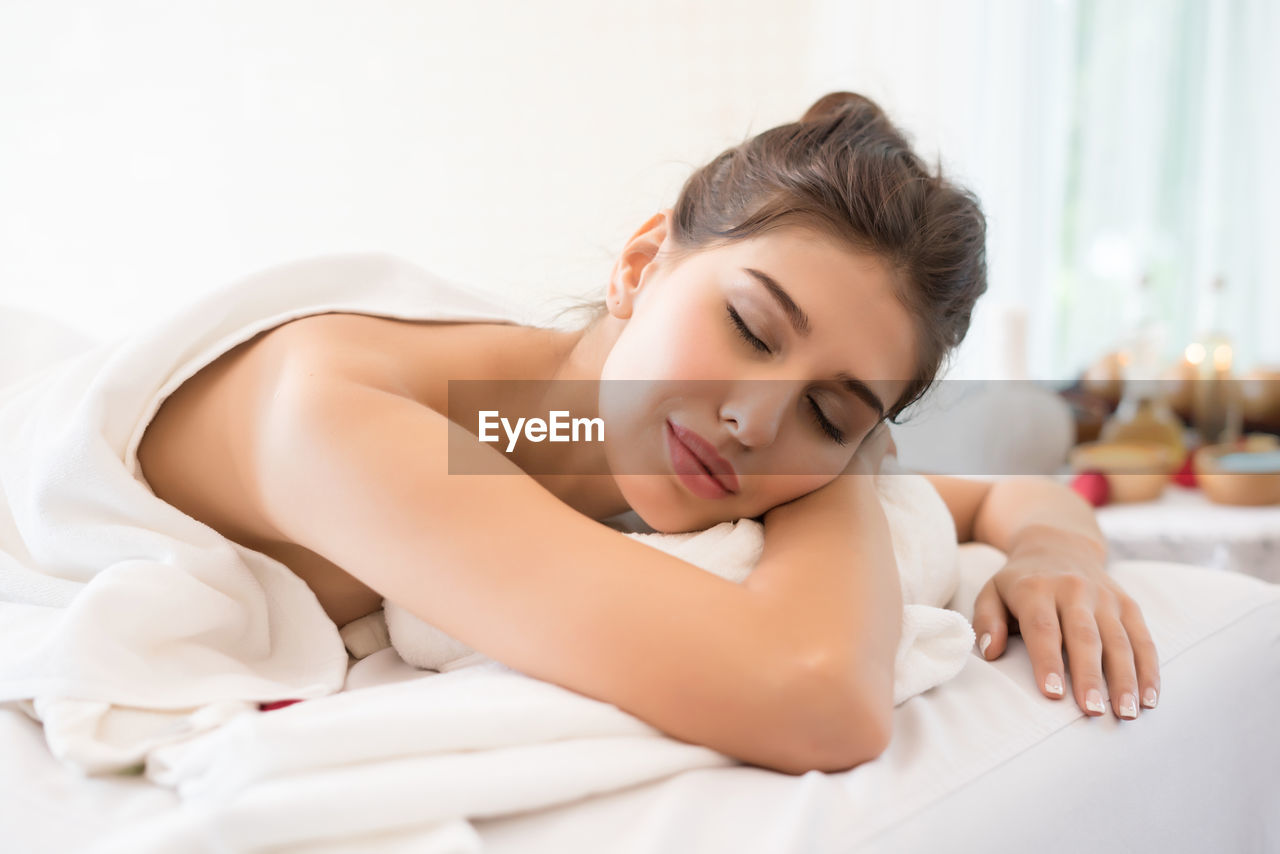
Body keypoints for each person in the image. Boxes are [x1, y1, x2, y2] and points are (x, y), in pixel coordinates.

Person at [135, 92, 1159, 776]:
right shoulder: (340, 408)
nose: (753, 421)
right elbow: (817, 698)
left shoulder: (599, 423)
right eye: (751, 327)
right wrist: (849, 454)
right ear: (639, 264)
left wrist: (1056, 550)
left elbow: (992, 494)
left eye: (828, 409)